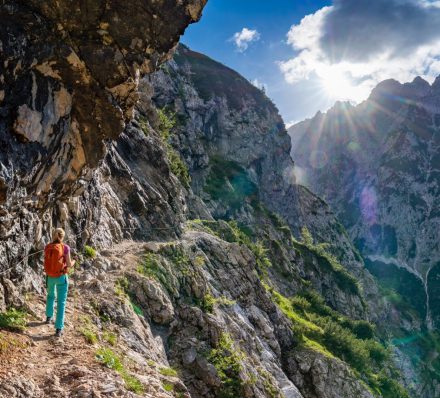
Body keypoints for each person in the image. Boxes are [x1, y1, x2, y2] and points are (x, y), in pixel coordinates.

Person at [44, 228, 75, 337]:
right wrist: (74, 261)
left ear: (53, 235)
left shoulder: (47, 247)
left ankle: (48, 317)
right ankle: (58, 329)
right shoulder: (65, 247)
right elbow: (69, 264)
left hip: (50, 276)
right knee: (61, 302)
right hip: (61, 277)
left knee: (50, 296)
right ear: (63, 236)